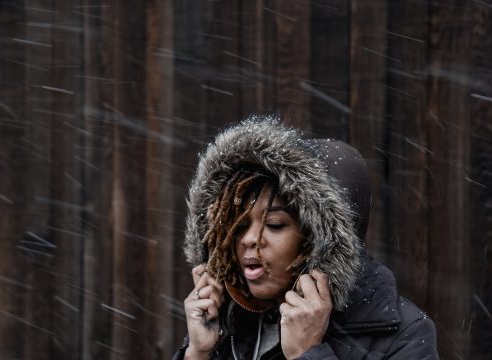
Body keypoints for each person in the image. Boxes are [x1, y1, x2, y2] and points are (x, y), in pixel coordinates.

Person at [173, 114, 439, 359]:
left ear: (323, 239)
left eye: (275, 224)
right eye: (238, 225)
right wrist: (198, 352)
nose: (249, 239)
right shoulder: (227, 321)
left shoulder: (403, 335)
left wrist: (307, 352)